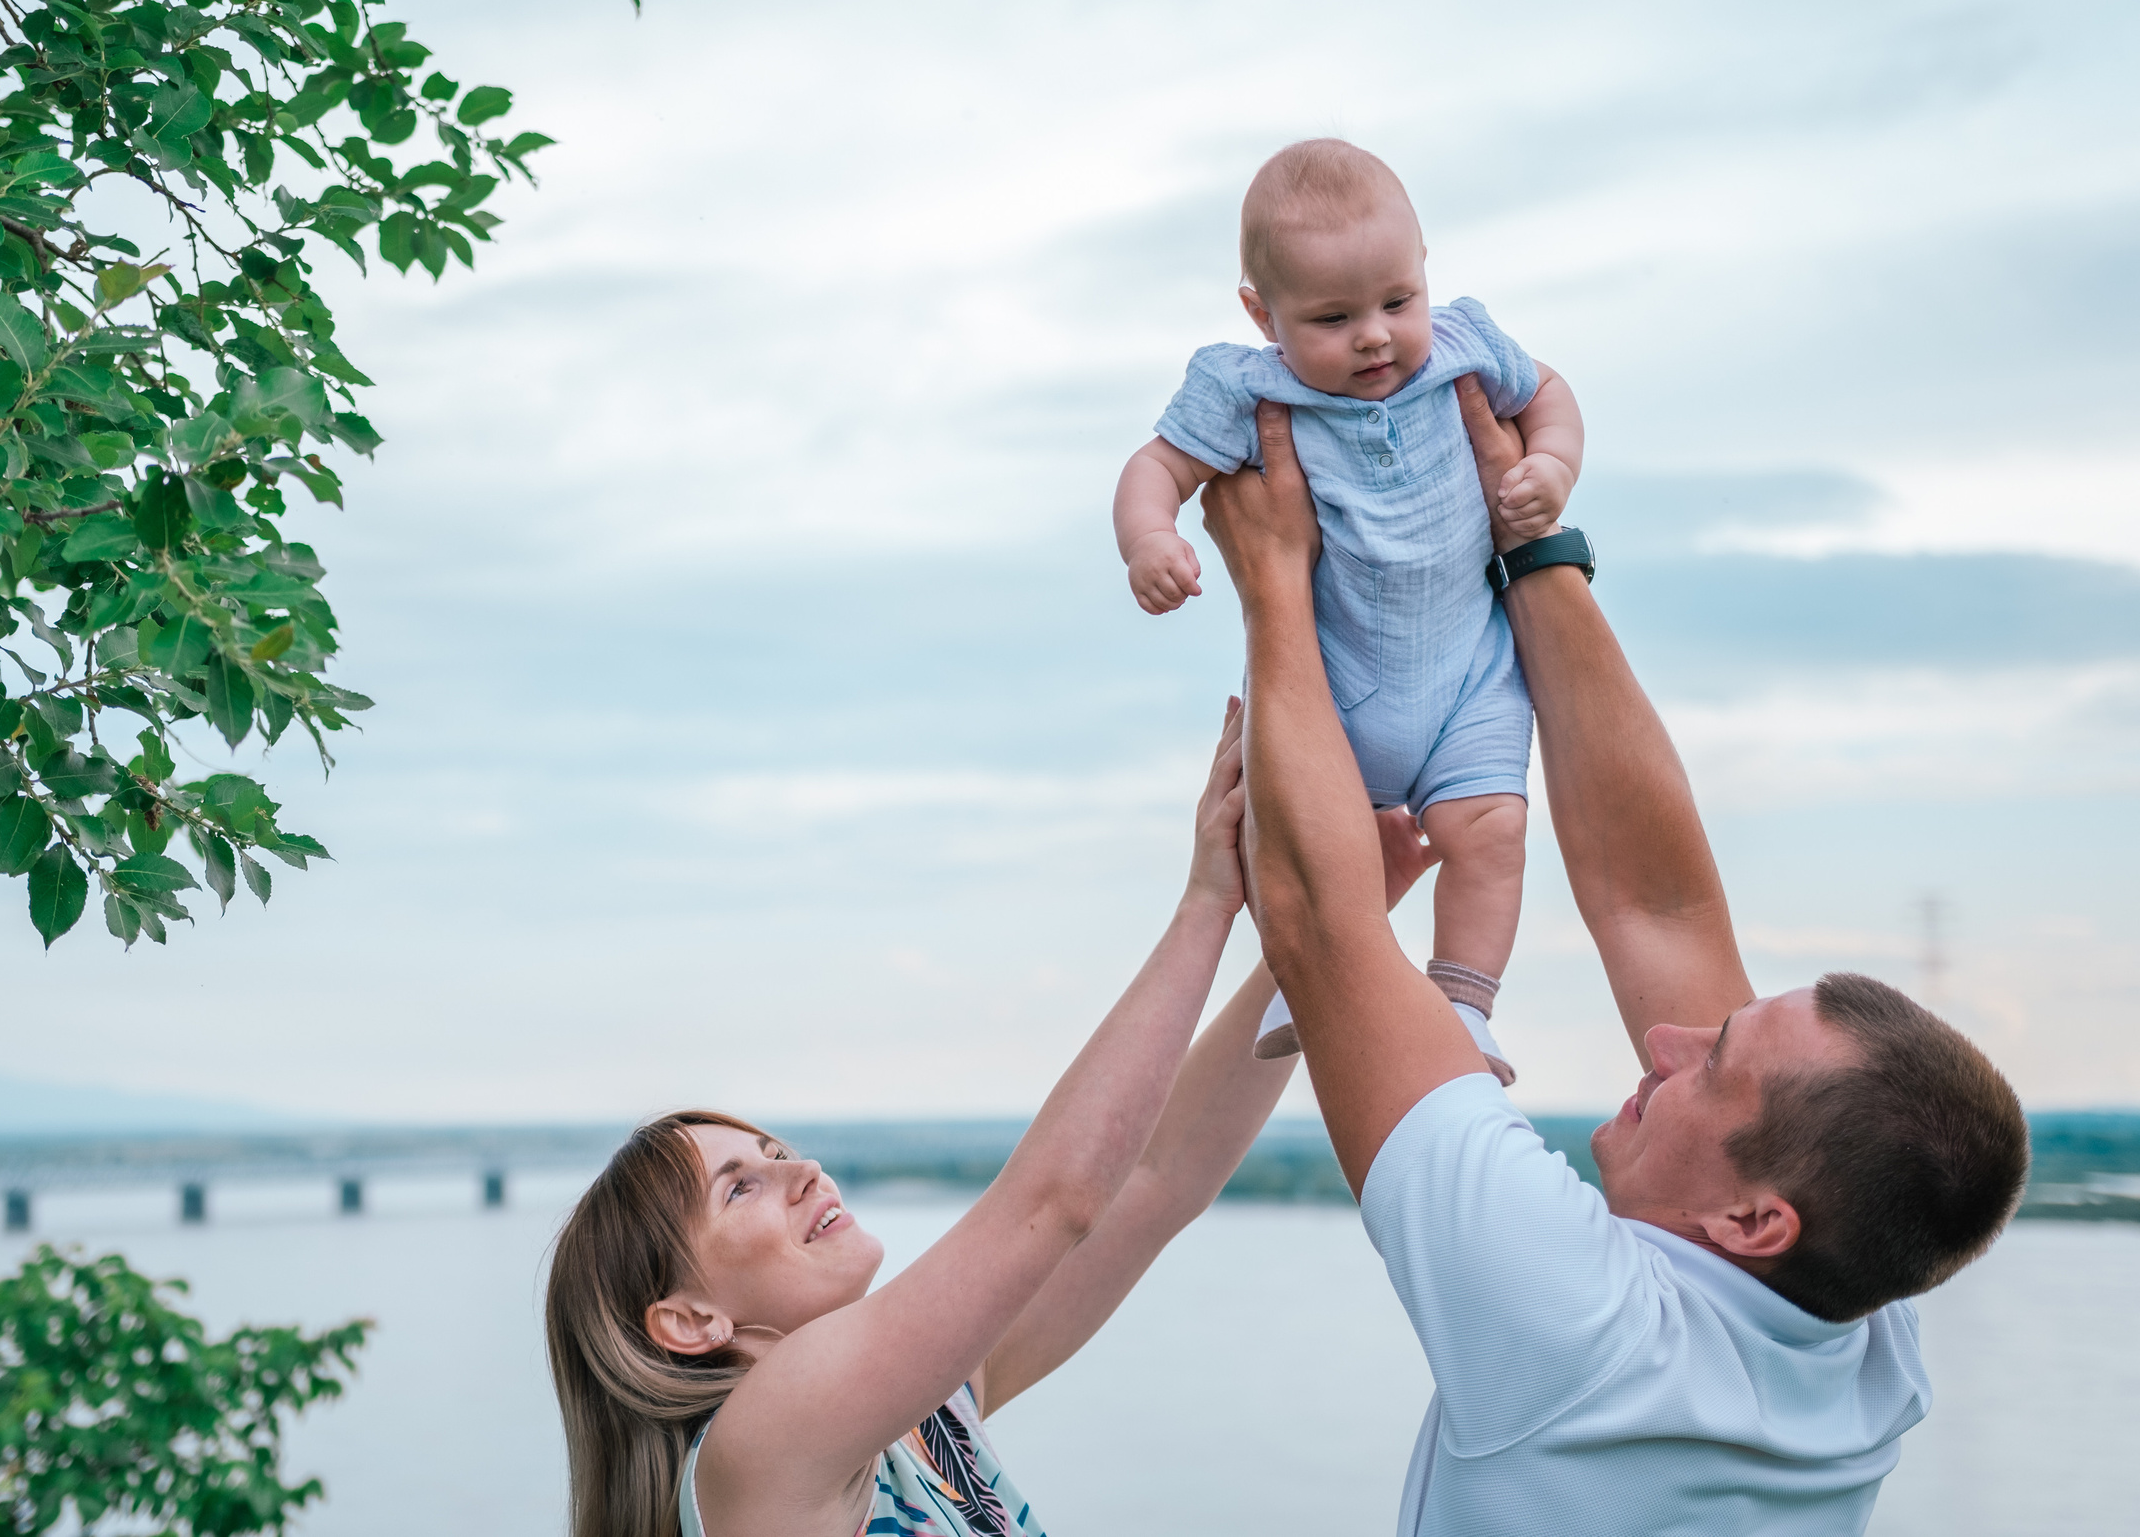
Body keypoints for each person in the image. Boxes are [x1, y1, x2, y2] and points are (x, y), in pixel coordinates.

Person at [1198, 379, 2030, 1536]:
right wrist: (1531, 545)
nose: (1668, 1037)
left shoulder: (1581, 1328)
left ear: (1753, 1223)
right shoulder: (1862, 1322)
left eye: (1712, 1063)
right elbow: (1662, 905)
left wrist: (1275, 587)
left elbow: (1317, 924)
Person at [545, 701, 1323, 1537]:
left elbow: (1155, 1176)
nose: (803, 1170)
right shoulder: (757, 1451)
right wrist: (1208, 900)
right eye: (742, 1189)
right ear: (691, 1321)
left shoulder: (930, 1421)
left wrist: (1319, 937)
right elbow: (1054, 1200)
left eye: (775, 1151)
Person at [1113, 138, 1587, 1077]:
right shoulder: (1244, 387)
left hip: (1469, 673)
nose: (1375, 335)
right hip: (1334, 678)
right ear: (1262, 311)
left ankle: (1465, 1004)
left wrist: (1552, 467)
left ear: (1424, 274)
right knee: (1318, 841)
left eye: (1396, 301)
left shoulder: (1463, 347)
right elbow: (1156, 466)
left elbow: (1550, 395)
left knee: (1491, 831)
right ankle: (1314, 967)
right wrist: (1150, 538)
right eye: (1332, 317)